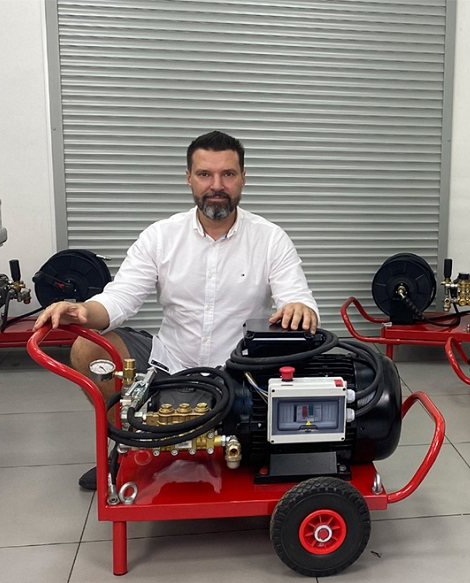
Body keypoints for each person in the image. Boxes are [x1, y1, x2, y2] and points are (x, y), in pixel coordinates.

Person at [33, 130, 319, 489]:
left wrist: (299, 307)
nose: (217, 185)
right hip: (168, 363)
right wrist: (83, 312)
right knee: (87, 347)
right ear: (189, 178)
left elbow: (298, 298)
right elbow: (121, 297)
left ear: (243, 178)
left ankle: (241, 438)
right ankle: (127, 445)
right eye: (205, 174)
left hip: (238, 373)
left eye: (228, 174)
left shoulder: (271, 239)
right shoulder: (160, 236)